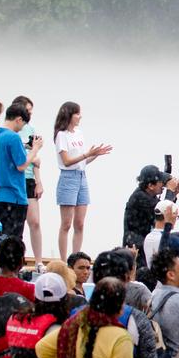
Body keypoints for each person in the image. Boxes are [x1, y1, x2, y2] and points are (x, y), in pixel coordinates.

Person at [53, 101, 112, 261]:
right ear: (69, 115)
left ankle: (75, 258)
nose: (80, 117)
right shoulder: (61, 135)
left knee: (79, 223)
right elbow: (66, 161)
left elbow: (82, 162)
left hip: (81, 176)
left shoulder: (78, 132)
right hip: (68, 178)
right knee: (66, 223)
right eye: (77, 113)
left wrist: (95, 155)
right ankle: (64, 260)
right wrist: (87, 154)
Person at [0, 102, 43, 239]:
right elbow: (22, 165)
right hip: (14, 196)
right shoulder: (13, 137)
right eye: (22, 124)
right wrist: (35, 149)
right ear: (18, 119)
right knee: (13, 240)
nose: (20, 129)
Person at [8, 95, 45, 268]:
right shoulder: (10, 131)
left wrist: (39, 180)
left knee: (35, 221)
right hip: (16, 178)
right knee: (17, 222)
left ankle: (38, 261)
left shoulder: (30, 128)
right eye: (27, 112)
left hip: (29, 177)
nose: (30, 115)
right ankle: (18, 259)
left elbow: (35, 156)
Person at [123, 164, 179, 255]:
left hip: (144, 242)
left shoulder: (148, 195)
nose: (163, 184)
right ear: (151, 186)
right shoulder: (139, 197)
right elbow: (164, 212)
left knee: (177, 237)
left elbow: (164, 210)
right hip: (137, 248)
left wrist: (174, 193)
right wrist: (170, 191)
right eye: (161, 181)